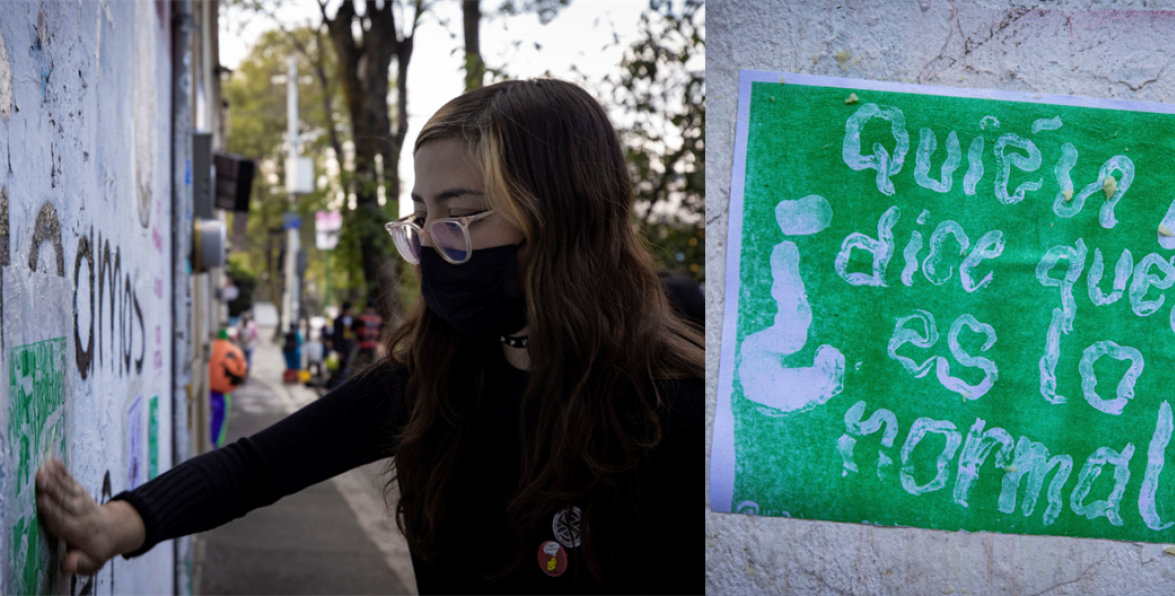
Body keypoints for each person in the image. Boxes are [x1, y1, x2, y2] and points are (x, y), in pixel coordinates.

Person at [34, 79, 703, 594]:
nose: (435, 244)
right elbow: (259, 466)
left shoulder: (676, 411)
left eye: (463, 215)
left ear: (565, 219)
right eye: (423, 214)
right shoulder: (436, 380)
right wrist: (116, 525)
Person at [208, 329, 248, 449]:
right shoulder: (233, 350)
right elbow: (241, 369)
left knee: (210, 418)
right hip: (222, 394)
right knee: (219, 419)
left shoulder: (211, 347)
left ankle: (211, 442)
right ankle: (215, 444)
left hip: (208, 390)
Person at [350, 299, 384, 373]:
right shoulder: (379, 319)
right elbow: (381, 332)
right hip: (373, 347)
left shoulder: (361, 318)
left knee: (354, 369)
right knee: (373, 369)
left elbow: (352, 329)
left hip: (361, 347)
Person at [330, 301, 356, 386]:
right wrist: (339, 350)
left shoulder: (350, 319)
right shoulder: (338, 320)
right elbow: (337, 336)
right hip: (342, 349)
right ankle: (338, 386)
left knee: (347, 367)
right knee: (342, 369)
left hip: (349, 348)